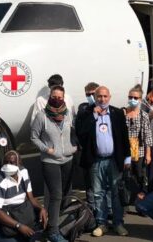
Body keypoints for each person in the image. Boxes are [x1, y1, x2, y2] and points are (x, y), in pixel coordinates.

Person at [76, 85, 131, 237]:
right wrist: (93, 115)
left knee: (116, 192)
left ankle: (118, 223)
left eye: (105, 96)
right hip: (96, 160)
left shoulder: (117, 113)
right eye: (99, 96)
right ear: (95, 97)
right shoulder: (86, 113)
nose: (102, 99)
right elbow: (81, 133)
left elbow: (124, 136)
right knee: (98, 194)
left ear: (109, 97)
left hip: (114, 160)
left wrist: (127, 157)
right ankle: (102, 223)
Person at [30, 85, 78, 242]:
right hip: (50, 160)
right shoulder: (42, 116)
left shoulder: (68, 114)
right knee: (56, 195)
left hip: (68, 159)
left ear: (64, 98)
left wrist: (74, 146)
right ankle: (52, 231)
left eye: (60, 97)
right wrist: (46, 149)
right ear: (49, 97)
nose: (57, 100)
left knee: (66, 193)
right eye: (54, 97)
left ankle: (62, 224)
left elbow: (74, 131)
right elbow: (34, 137)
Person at [0, 151, 48, 242]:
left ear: (19, 163)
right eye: (6, 162)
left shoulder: (23, 172)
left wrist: (41, 208)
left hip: (19, 217)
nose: (8, 165)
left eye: (12, 162)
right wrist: (19, 226)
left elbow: (31, 198)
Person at [124, 84, 153, 199]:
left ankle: (140, 197)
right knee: (125, 174)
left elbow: (147, 135)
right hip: (125, 149)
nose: (132, 99)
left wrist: (148, 154)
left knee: (139, 174)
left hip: (138, 150)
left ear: (140, 99)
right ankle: (126, 198)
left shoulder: (143, 115)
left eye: (135, 98)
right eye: (130, 97)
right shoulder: (123, 113)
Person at [75, 81, 100, 211]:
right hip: (88, 153)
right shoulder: (84, 109)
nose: (90, 97)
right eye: (87, 94)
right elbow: (80, 129)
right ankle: (92, 209)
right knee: (90, 184)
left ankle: (107, 210)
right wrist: (93, 114)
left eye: (92, 94)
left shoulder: (107, 109)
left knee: (103, 183)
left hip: (103, 153)